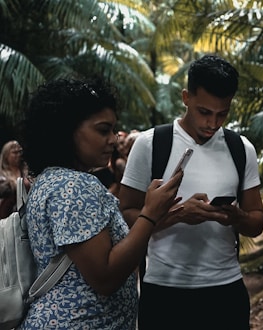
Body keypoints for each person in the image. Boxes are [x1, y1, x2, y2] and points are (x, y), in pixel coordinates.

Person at [18, 78, 183, 329]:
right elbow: (105, 276)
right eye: (103, 130)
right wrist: (150, 213)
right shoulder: (74, 187)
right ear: (66, 130)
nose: (114, 140)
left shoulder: (52, 179)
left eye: (114, 131)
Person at [118, 54, 263, 329]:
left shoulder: (241, 148)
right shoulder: (151, 144)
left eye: (222, 113)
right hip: (164, 291)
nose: (213, 123)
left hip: (226, 289)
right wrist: (177, 214)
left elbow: (256, 221)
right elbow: (125, 215)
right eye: (204, 112)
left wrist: (235, 216)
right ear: (186, 98)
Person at [0, 140, 30, 219]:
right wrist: (12, 185)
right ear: (6, 155)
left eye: (19, 152)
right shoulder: (2, 174)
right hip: (5, 218)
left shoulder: (25, 173)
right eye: (15, 153)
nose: (18, 155)